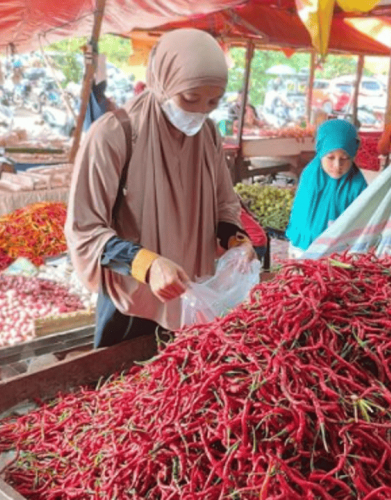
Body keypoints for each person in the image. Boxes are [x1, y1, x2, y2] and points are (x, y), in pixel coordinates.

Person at [65, 29, 256, 348]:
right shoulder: (114, 135)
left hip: (194, 299)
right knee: (122, 393)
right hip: (131, 305)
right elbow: (85, 230)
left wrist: (236, 242)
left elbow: (225, 205)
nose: (199, 112)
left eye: (212, 101)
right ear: (162, 81)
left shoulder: (207, 135)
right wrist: (148, 264)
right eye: (190, 98)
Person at [285, 119, 367, 257]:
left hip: (341, 255)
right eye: (330, 157)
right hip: (304, 249)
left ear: (353, 156)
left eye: (345, 158)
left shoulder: (358, 185)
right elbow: (301, 219)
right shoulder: (311, 178)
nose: (337, 165)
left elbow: (363, 224)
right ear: (321, 153)